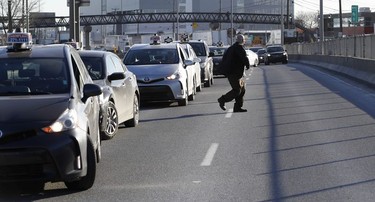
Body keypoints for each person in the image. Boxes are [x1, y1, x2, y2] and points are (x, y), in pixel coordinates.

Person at [217, 34, 250, 112]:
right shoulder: (238, 48)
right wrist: (248, 65)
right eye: (244, 40)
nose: (244, 41)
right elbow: (244, 58)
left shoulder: (231, 48)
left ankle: (237, 107)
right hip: (234, 73)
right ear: (242, 41)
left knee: (242, 89)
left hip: (235, 73)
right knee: (237, 90)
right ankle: (222, 100)